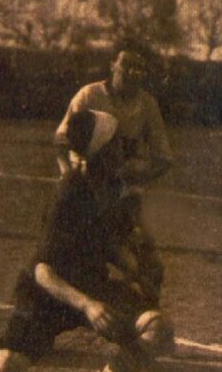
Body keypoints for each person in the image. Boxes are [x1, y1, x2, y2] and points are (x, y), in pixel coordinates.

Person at [0, 109, 174, 372]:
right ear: (100, 152)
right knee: (7, 365)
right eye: (115, 143)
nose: (123, 148)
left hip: (90, 284)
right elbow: (43, 271)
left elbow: (110, 243)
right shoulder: (68, 194)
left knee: (158, 328)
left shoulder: (115, 190)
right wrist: (88, 305)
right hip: (48, 295)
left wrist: (137, 271)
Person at [53, 44, 172, 306]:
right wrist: (69, 176)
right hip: (84, 192)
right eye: (125, 65)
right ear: (112, 65)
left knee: (149, 261)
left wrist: (132, 178)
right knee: (66, 258)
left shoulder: (147, 105)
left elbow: (164, 159)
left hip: (122, 195)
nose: (131, 72)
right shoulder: (89, 95)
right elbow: (61, 140)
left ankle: (146, 318)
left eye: (138, 68)